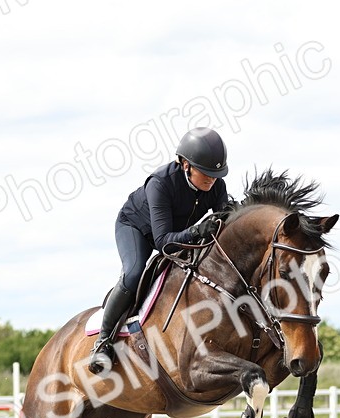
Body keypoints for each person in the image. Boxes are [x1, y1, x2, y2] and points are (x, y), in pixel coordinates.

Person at [89, 127, 234, 373]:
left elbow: (224, 220)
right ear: (185, 165)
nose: (212, 179)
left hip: (175, 233)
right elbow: (164, 243)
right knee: (134, 273)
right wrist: (198, 231)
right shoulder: (161, 184)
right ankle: (103, 342)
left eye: (216, 173)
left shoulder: (217, 185)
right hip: (138, 229)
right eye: (206, 172)